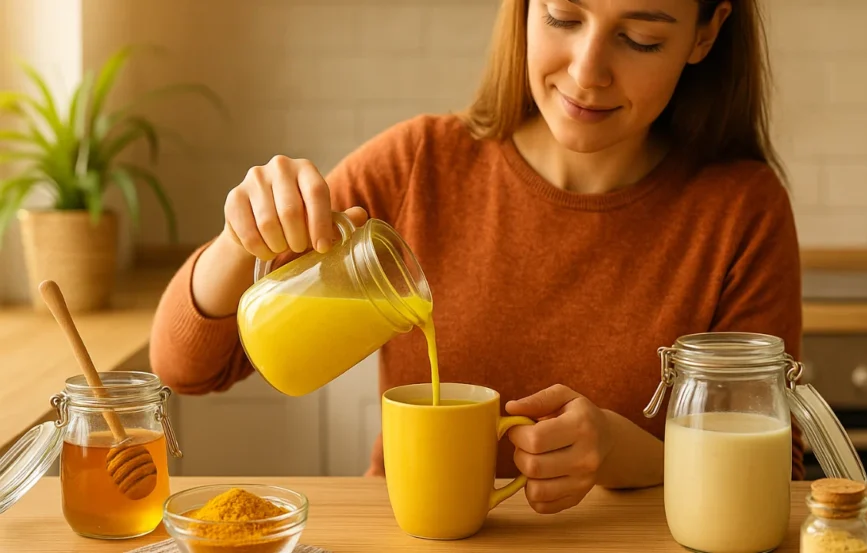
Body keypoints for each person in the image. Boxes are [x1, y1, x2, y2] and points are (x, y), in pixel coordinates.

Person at [150, 0, 805, 516]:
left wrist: (621, 452)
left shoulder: (739, 211)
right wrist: (242, 239)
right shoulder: (418, 167)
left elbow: (777, 471)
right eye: (562, 17)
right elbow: (186, 368)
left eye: (640, 39)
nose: (586, 70)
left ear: (704, 34)